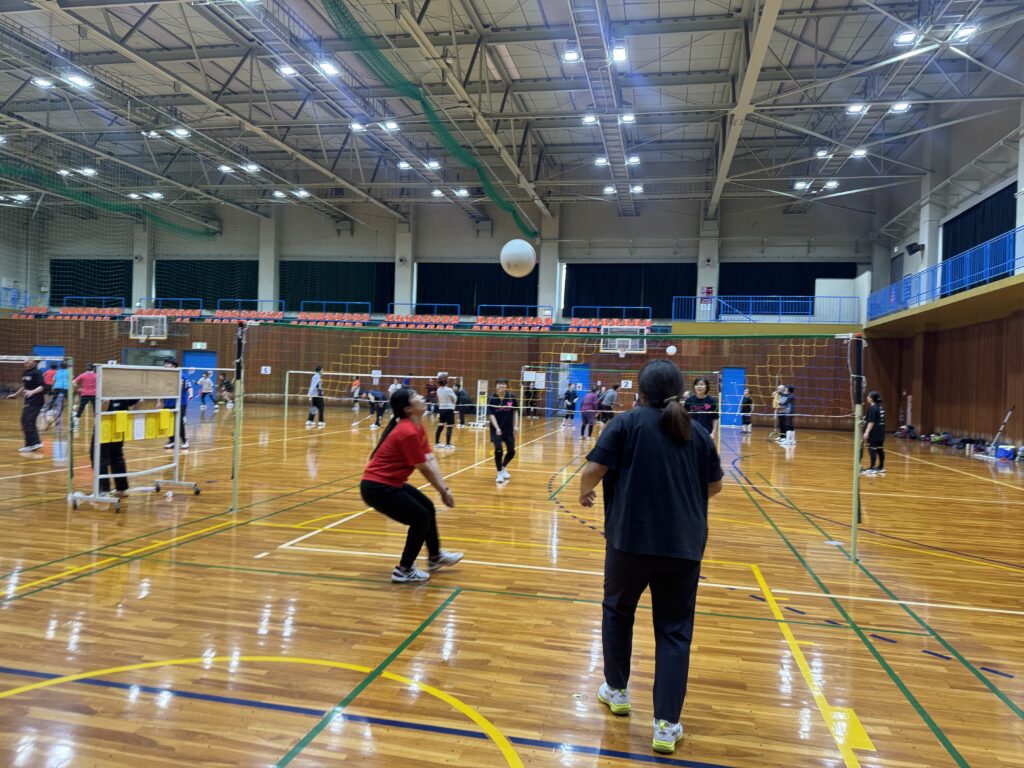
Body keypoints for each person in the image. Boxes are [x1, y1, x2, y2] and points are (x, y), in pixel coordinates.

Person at [578, 360, 723, 755]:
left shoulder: (624, 424)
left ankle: (617, 690)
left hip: (629, 542)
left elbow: (594, 468)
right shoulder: (695, 432)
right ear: (680, 391)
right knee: (674, 631)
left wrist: (584, 491)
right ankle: (666, 725)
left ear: (639, 391)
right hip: (683, 545)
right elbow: (714, 487)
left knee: (617, 611)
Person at [360, 387, 464, 583]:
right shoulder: (407, 431)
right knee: (420, 518)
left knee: (427, 507)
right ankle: (404, 569)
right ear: (408, 409)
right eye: (416, 396)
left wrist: (445, 489)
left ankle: (434, 557)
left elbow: (430, 458)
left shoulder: (417, 426)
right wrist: (442, 492)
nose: (422, 397)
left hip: (390, 484)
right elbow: (423, 468)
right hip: (377, 488)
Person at [92, 396, 138, 496]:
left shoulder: (106, 387)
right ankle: (121, 489)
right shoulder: (123, 389)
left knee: (99, 457)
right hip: (121, 423)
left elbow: (106, 401)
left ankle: (104, 490)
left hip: (105, 424)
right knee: (117, 456)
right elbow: (140, 401)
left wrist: (98, 420)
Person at [8, 358, 45, 453]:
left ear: (34, 362)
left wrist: (32, 392)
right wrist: (15, 395)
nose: (26, 361)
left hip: (37, 400)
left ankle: (33, 443)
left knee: (28, 421)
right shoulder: (25, 373)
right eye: (25, 360)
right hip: (28, 400)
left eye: (29, 360)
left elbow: (42, 387)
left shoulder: (37, 372)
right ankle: (33, 444)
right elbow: (24, 386)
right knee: (25, 420)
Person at [488, 379, 519, 484]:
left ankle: (503, 467)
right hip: (495, 429)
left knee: (511, 452)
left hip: (508, 429)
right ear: (496, 386)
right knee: (499, 450)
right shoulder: (492, 398)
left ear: (506, 386)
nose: (502, 385)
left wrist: (516, 426)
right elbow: (491, 415)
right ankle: (499, 473)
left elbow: (515, 412)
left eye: (504, 384)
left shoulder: (511, 397)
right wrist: (497, 428)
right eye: (499, 384)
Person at [163, 358, 192, 450]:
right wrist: (159, 401)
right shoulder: (164, 377)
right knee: (168, 422)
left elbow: (189, 387)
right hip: (168, 402)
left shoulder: (182, 376)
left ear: (174, 366)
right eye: (165, 364)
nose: (165, 365)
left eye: (167, 364)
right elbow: (161, 389)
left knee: (179, 422)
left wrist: (190, 394)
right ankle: (172, 440)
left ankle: (184, 440)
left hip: (180, 402)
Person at [684, 377, 718, 442]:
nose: (699, 386)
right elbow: (685, 416)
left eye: (702, 384)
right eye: (697, 384)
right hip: (692, 433)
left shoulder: (711, 401)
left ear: (706, 387)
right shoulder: (689, 400)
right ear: (694, 386)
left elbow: (715, 418)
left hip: (707, 433)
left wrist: (713, 433)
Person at [862, 391, 886, 476]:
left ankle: (872, 468)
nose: (867, 397)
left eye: (868, 396)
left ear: (871, 399)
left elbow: (871, 422)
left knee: (872, 449)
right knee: (879, 449)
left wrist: (867, 432)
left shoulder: (872, 408)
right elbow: (874, 418)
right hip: (881, 432)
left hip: (874, 432)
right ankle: (881, 467)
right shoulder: (880, 407)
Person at [434, 376, 457, 449]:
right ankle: (448, 444)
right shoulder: (449, 389)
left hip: (441, 409)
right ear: (446, 381)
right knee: (449, 427)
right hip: (449, 409)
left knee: (440, 426)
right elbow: (455, 398)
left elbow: (438, 399)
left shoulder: (438, 390)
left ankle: (436, 443)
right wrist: (453, 405)